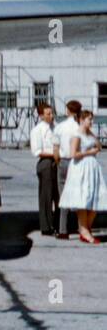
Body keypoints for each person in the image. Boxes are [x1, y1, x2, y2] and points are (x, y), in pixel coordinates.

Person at [59, 110, 106, 244]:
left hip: (92, 167)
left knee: (95, 199)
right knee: (83, 198)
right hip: (81, 168)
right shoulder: (76, 135)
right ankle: (84, 231)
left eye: (92, 119)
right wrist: (89, 152)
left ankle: (85, 228)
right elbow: (73, 154)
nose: (91, 122)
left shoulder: (89, 133)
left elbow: (99, 145)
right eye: (89, 119)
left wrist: (92, 135)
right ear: (81, 119)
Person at [55, 100, 84, 239]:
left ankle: (63, 230)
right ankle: (81, 228)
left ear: (68, 110)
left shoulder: (60, 127)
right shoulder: (79, 127)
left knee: (63, 195)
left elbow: (55, 149)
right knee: (78, 195)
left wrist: (58, 161)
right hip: (77, 161)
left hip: (64, 161)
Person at [30, 102, 59, 236]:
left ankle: (58, 224)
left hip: (57, 161)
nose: (51, 116)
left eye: (52, 113)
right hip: (46, 162)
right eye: (48, 114)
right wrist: (53, 154)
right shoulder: (37, 130)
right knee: (46, 195)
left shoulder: (56, 127)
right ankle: (46, 226)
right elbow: (37, 151)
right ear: (41, 115)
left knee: (57, 194)